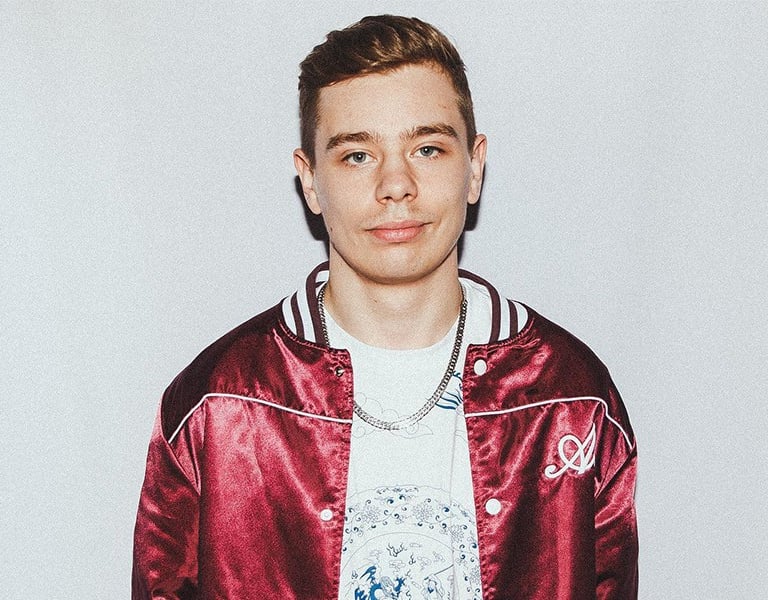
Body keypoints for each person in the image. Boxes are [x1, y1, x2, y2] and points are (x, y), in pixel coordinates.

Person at [132, 14, 638, 599]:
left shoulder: (569, 396)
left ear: (474, 167)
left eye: (427, 148)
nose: (396, 184)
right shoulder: (220, 404)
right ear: (310, 181)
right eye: (357, 155)